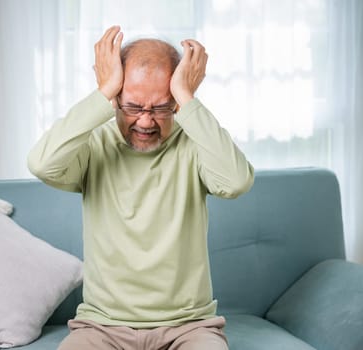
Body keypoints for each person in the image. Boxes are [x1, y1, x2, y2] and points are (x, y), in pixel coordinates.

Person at [28, 25, 254, 350]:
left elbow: (236, 181)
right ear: (116, 97)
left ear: (176, 101)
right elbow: (41, 163)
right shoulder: (94, 145)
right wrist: (102, 92)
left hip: (188, 326)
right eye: (133, 106)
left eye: (161, 107)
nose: (146, 121)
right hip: (102, 326)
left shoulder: (194, 144)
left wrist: (188, 99)